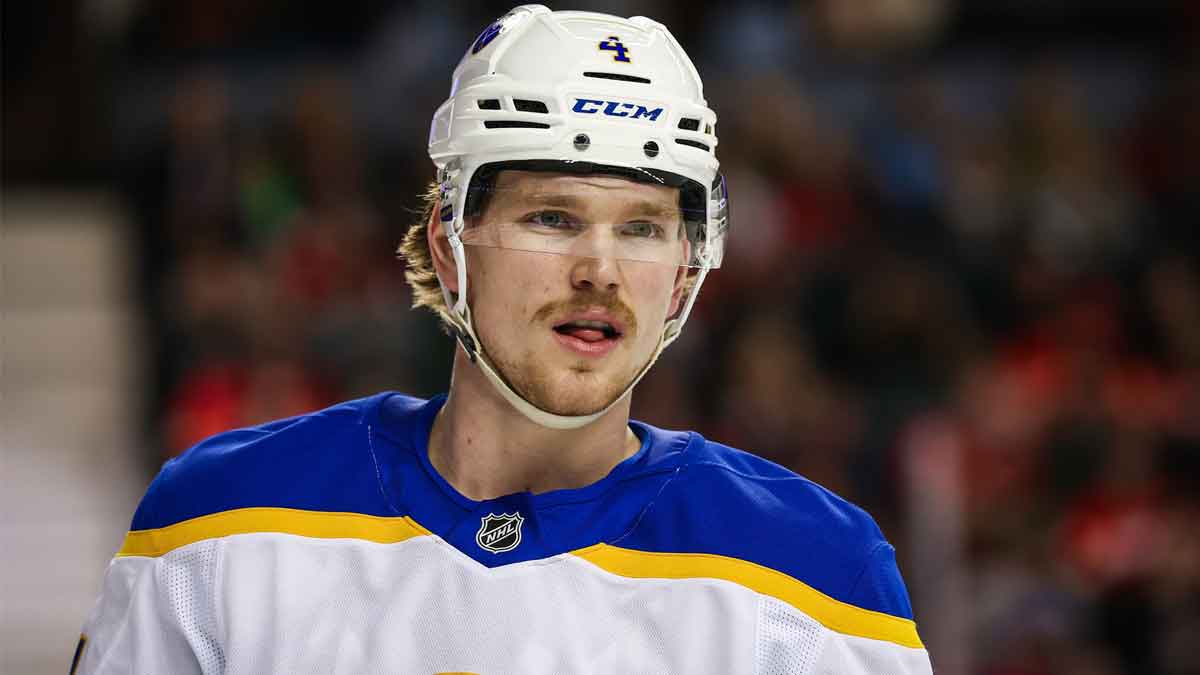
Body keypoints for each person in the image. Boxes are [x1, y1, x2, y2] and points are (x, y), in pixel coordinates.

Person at [75, 6, 932, 673]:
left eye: (641, 228)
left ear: (685, 269)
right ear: (450, 244)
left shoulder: (817, 575)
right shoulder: (221, 525)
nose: (599, 268)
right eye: (553, 217)